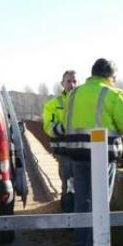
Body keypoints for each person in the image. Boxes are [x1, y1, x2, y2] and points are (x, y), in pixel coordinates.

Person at [60, 58, 123, 246]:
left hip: (77, 154)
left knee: (82, 200)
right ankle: (98, 245)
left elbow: (65, 122)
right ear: (110, 76)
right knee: (101, 202)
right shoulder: (112, 93)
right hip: (102, 156)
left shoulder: (74, 94)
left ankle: (81, 243)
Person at [43, 70, 77, 212]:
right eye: (69, 81)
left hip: (85, 151)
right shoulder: (53, 104)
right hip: (65, 152)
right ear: (62, 83)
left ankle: (80, 219)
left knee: (82, 186)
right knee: (68, 186)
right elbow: (48, 127)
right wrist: (68, 127)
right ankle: (69, 219)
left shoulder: (83, 101)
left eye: (75, 81)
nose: (72, 84)